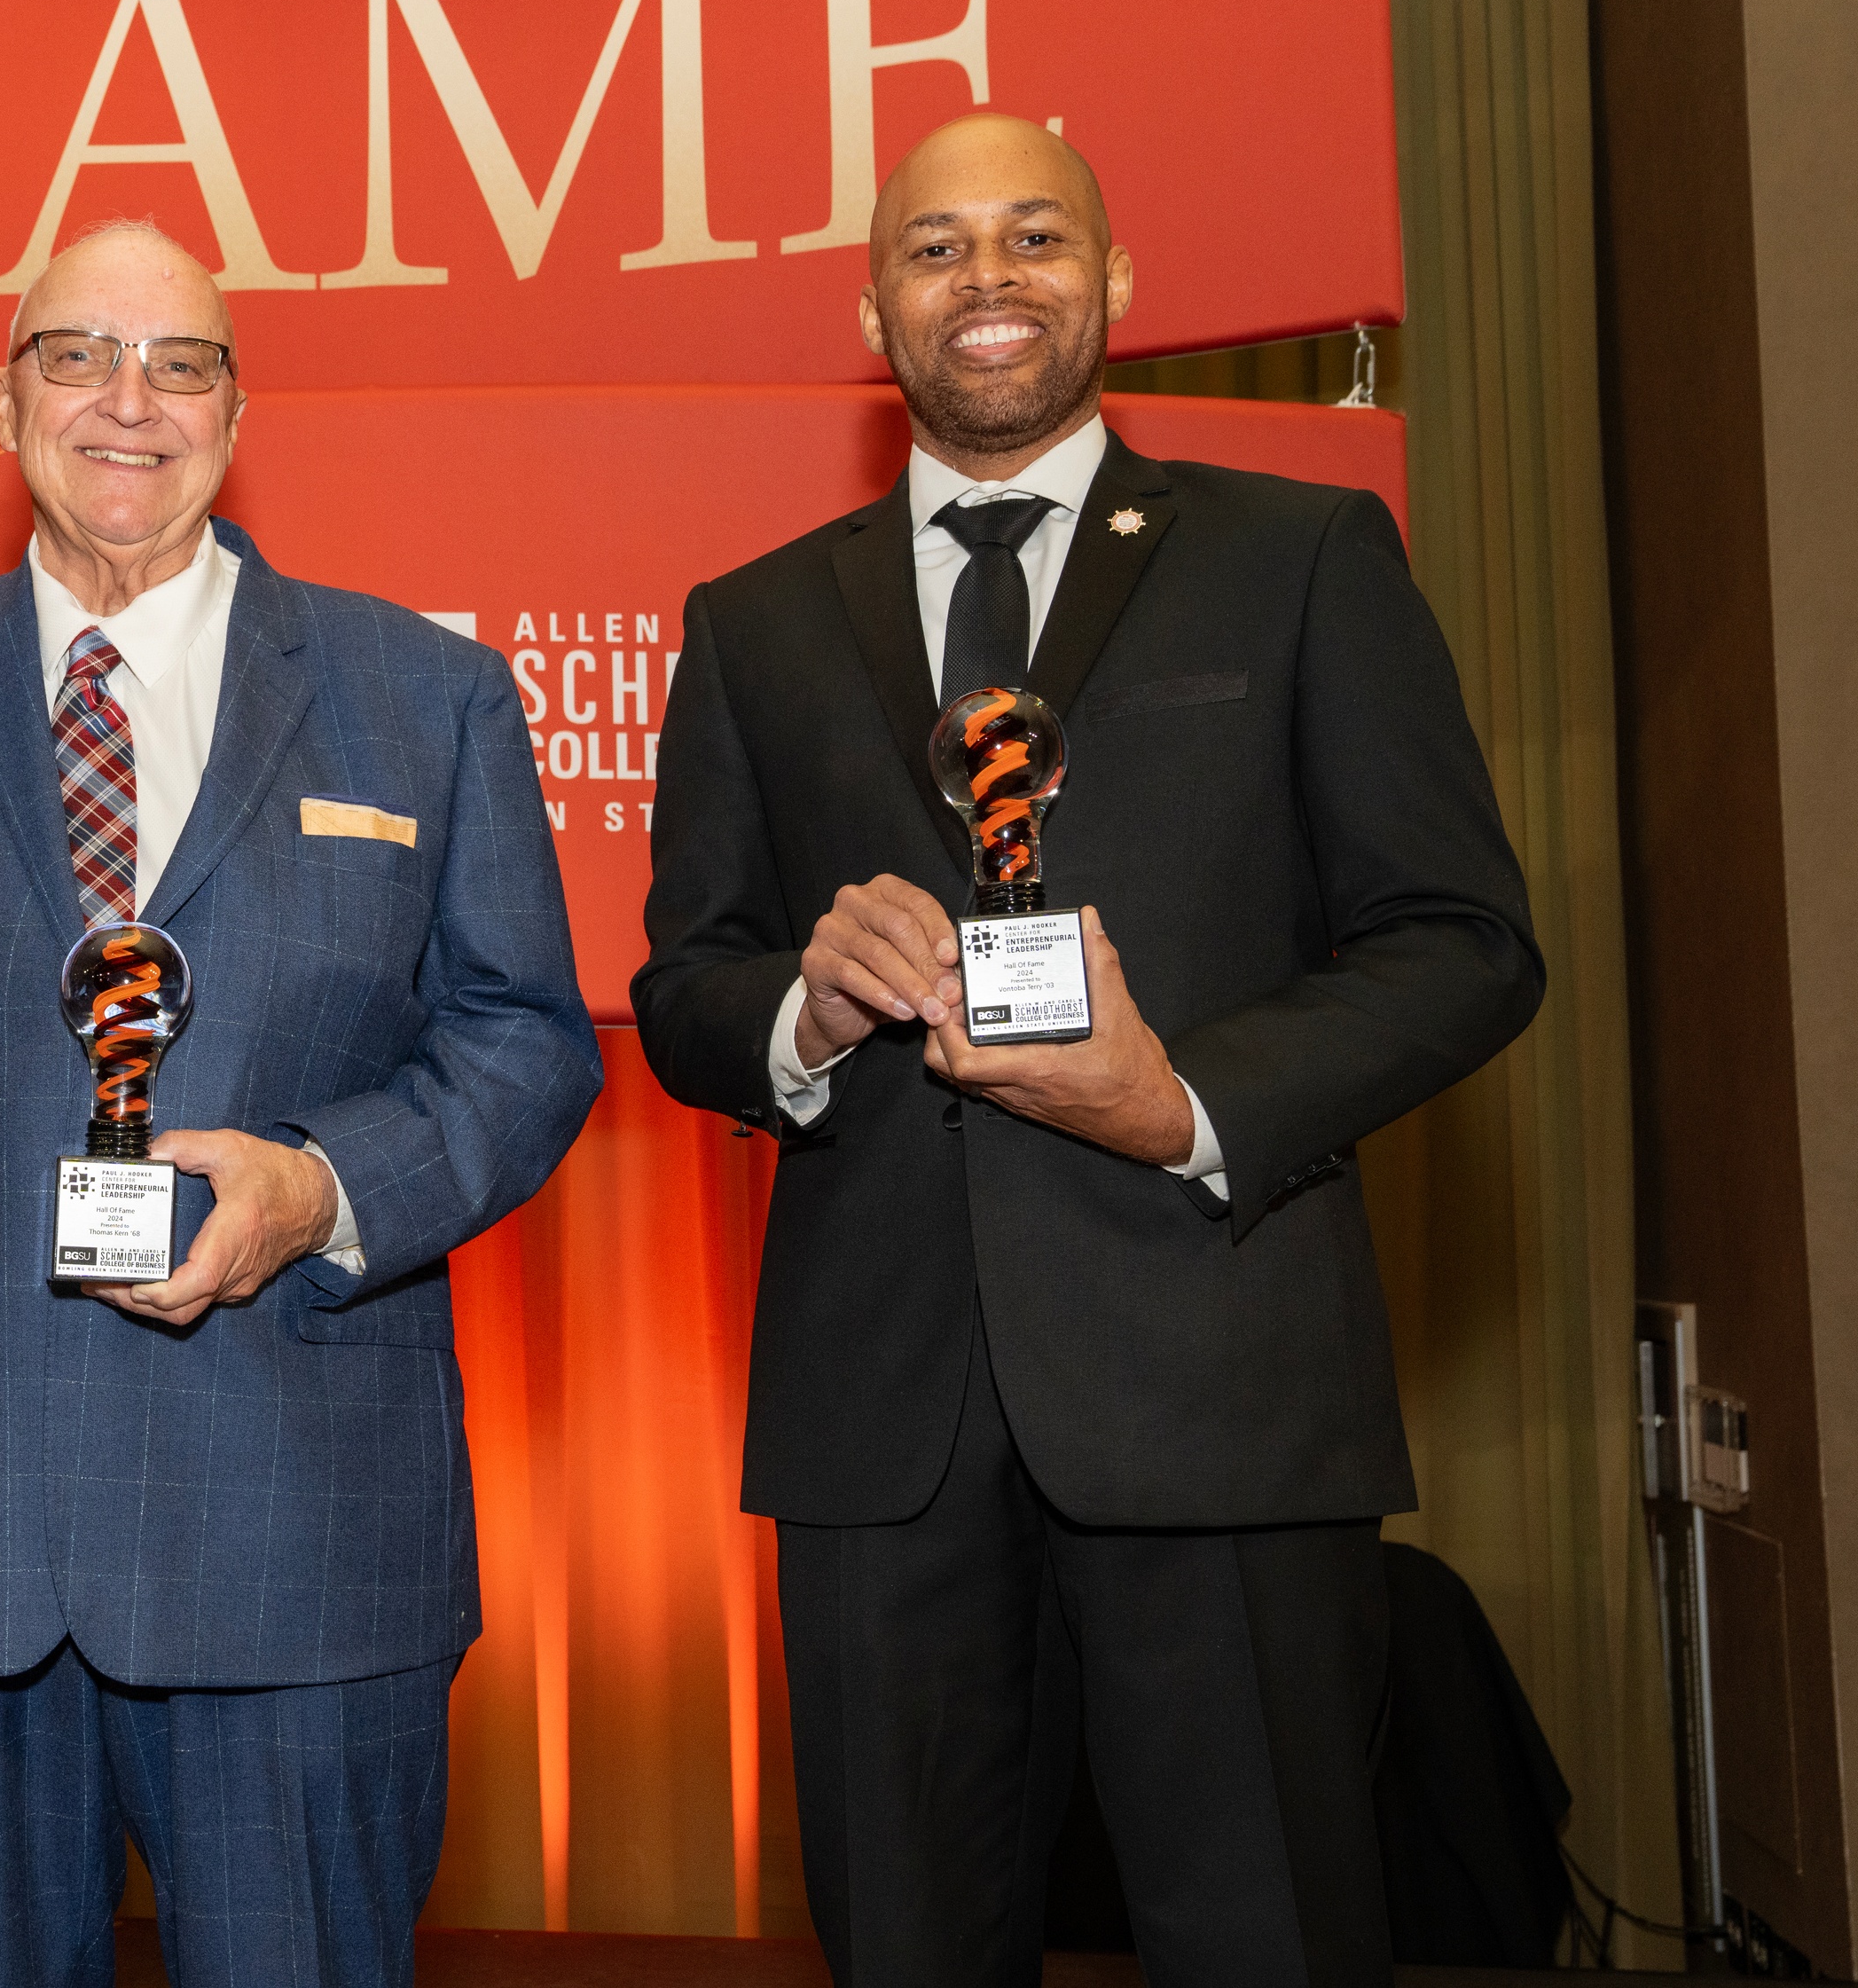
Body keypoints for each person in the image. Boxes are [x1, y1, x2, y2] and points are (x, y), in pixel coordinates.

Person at [632, 115, 1543, 1987]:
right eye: (939, 246)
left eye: (1037, 235)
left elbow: (1462, 944)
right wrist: (798, 1010)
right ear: (872, 301)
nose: (990, 281)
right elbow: (684, 981)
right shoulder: (752, 623)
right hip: (882, 1420)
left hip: (1218, 1383)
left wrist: (1187, 1101)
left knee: (1268, 1932)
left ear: (1117, 282)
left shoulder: (1301, 560)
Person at [0, 220, 600, 1987]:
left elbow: (529, 1040)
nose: (130, 400)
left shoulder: (426, 698)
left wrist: (322, 1189)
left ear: (238, 412)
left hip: (302, 1544)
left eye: (181, 363)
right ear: (2, 397)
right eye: (79, 354)